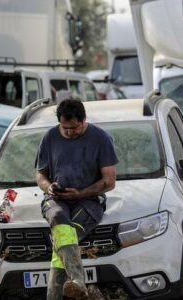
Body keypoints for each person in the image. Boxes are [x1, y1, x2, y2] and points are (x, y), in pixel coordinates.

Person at [36, 99, 118, 300]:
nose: (69, 132)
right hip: (57, 200)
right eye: (65, 128)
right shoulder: (50, 137)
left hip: (89, 202)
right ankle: (78, 281)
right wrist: (49, 187)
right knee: (57, 217)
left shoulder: (101, 139)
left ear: (83, 121)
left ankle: (58, 294)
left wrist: (80, 194)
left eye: (73, 128)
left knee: (63, 239)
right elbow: (40, 176)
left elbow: (109, 181)